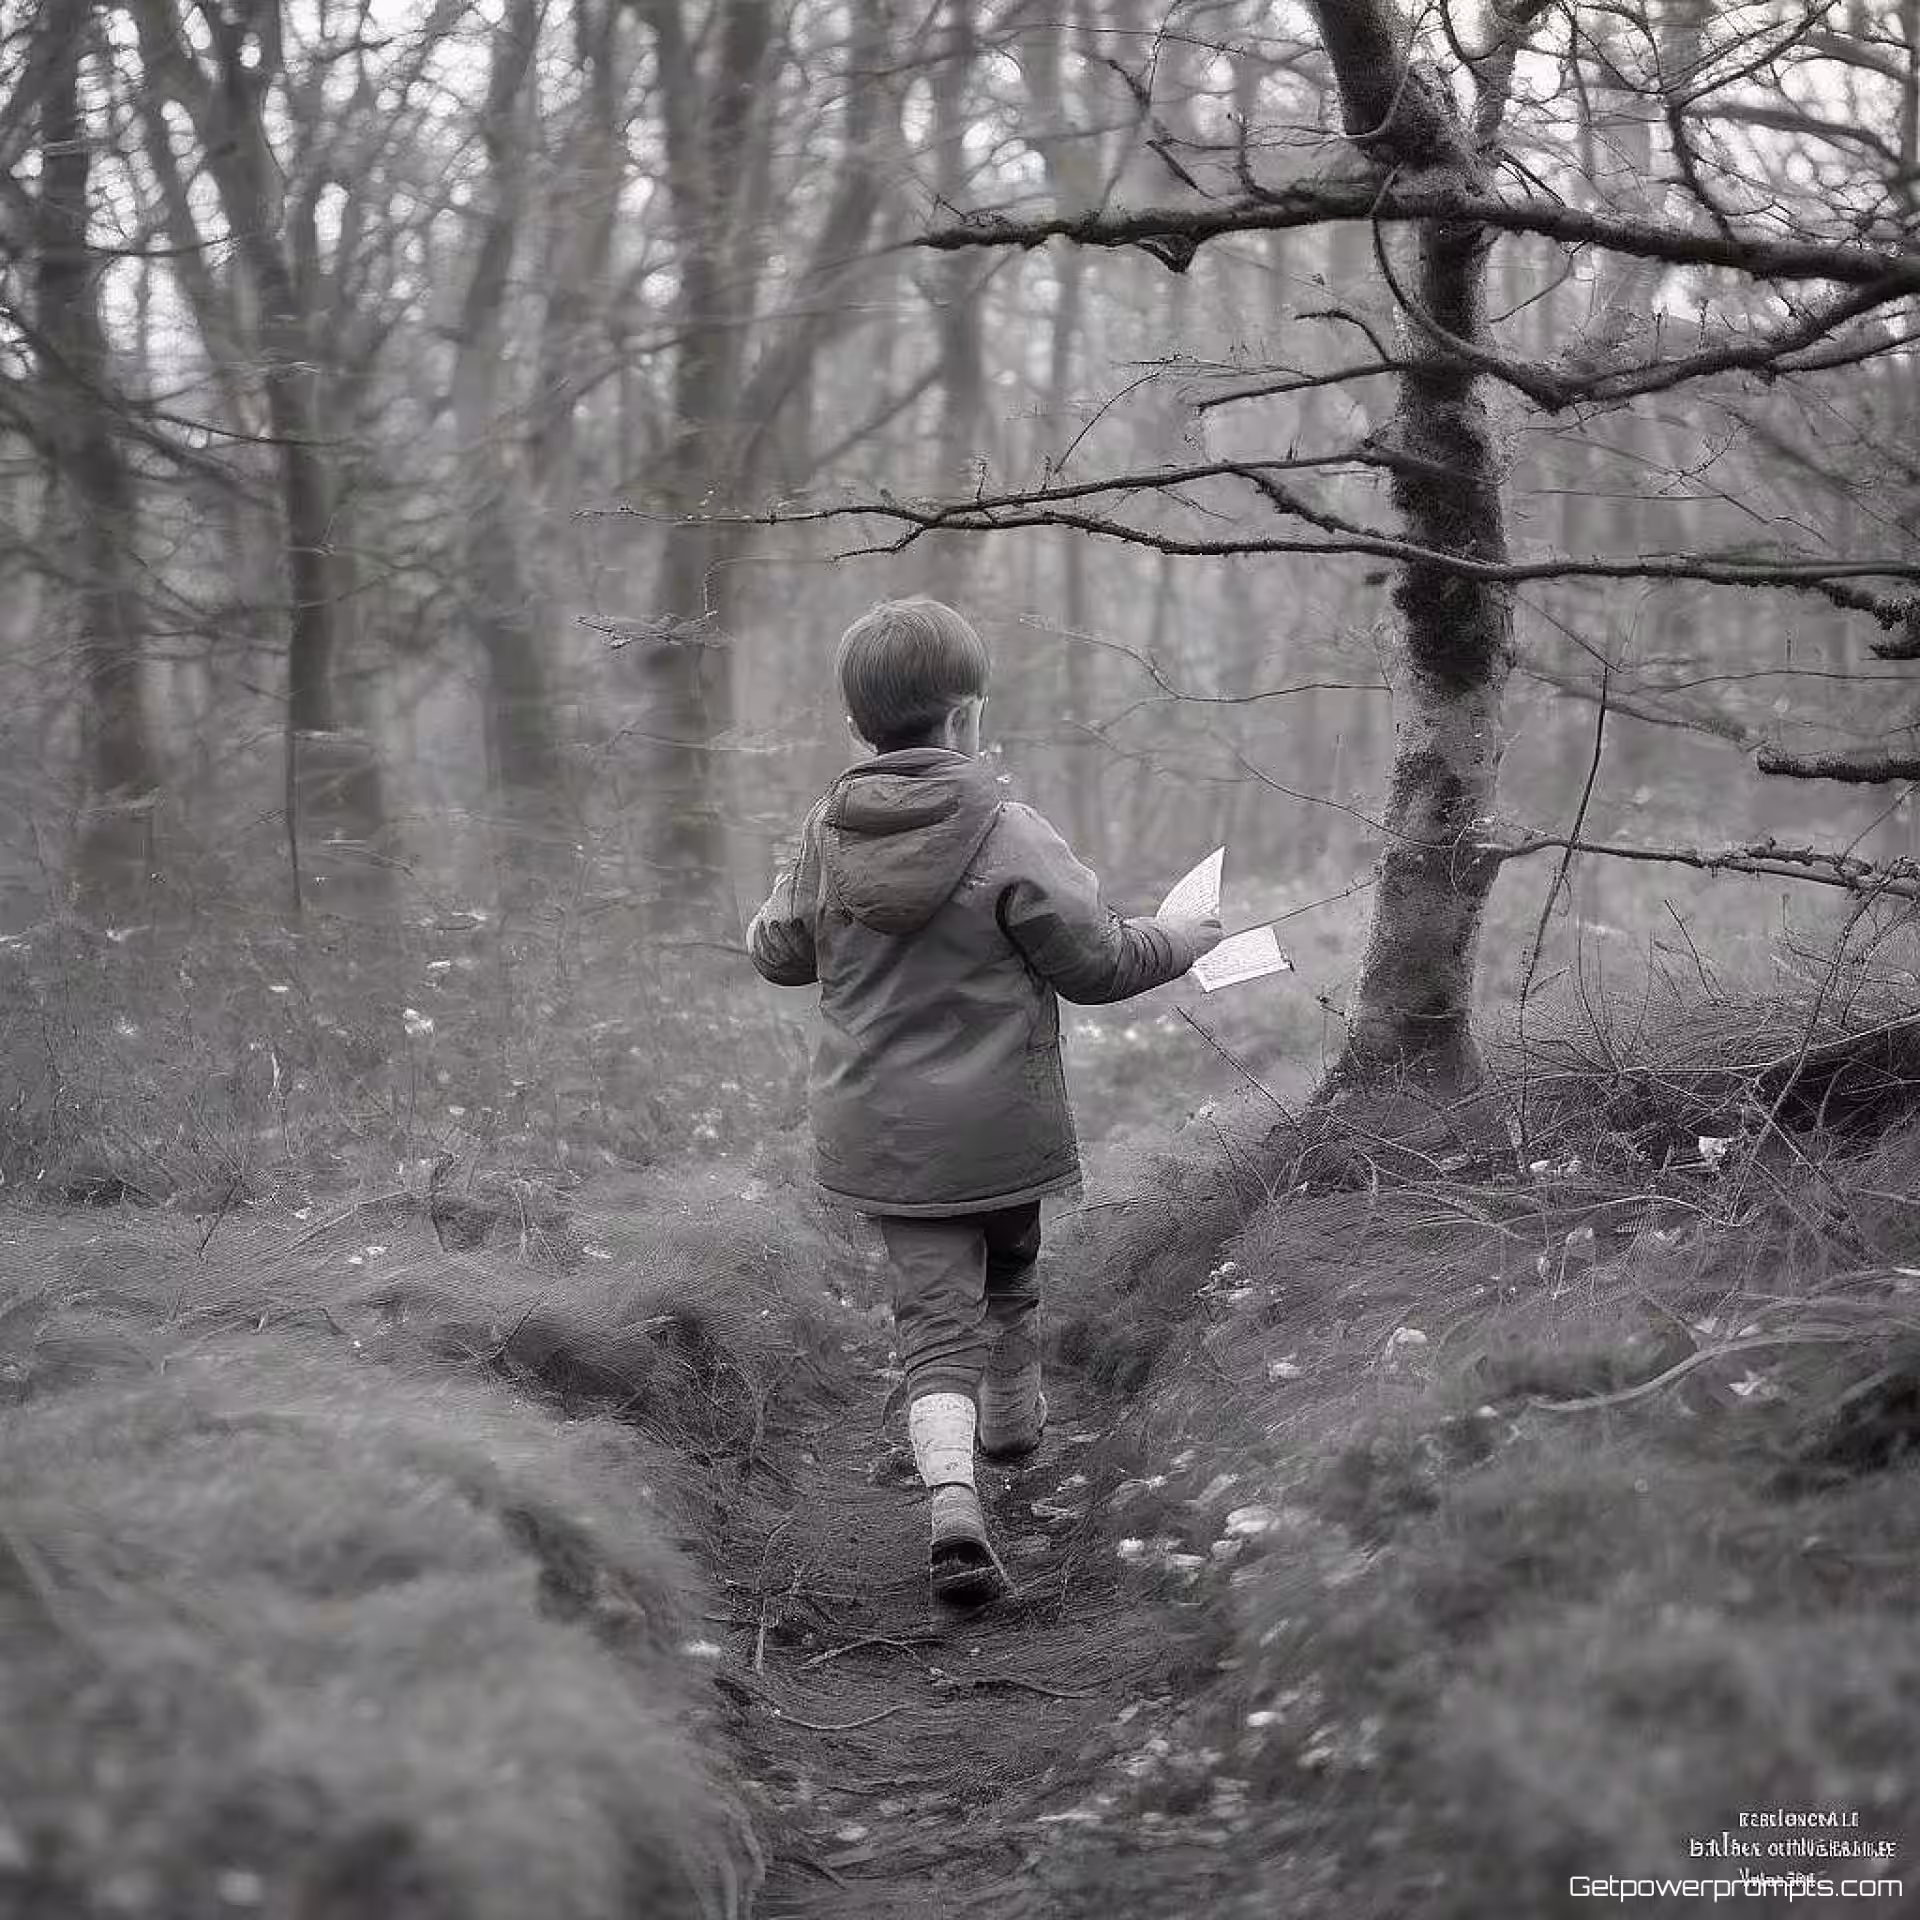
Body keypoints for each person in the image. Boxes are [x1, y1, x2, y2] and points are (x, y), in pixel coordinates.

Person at [746, 597, 1223, 1603]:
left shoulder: (824, 833)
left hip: (881, 1133)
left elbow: (784, 952)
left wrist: (767, 912)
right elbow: (1095, 963)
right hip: (1003, 1125)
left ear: (857, 728)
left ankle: (952, 1495)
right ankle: (1013, 1424)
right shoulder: (1010, 830)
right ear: (967, 717)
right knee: (1009, 1268)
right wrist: (1185, 936)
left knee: (930, 1316)